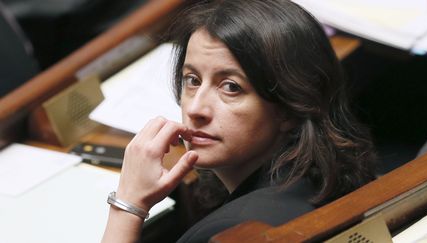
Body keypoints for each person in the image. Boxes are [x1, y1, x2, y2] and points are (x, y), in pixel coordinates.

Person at [102, 0, 376, 242]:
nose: (196, 108)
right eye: (193, 80)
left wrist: (127, 203)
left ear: (292, 108)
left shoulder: (230, 231)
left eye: (231, 87)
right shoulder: (330, 174)